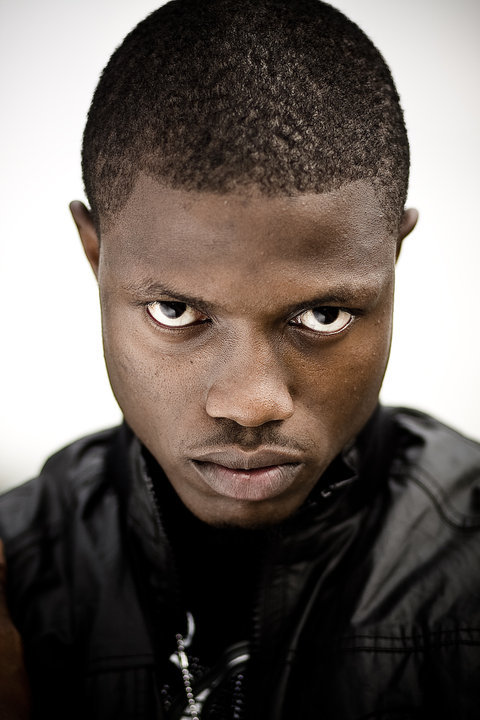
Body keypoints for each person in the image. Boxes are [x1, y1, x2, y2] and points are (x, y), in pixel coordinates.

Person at [0, 0, 479, 718]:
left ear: (393, 257)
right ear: (95, 253)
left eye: (323, 316)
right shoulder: (16, 574)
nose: (251, 403)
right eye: (176, 311)